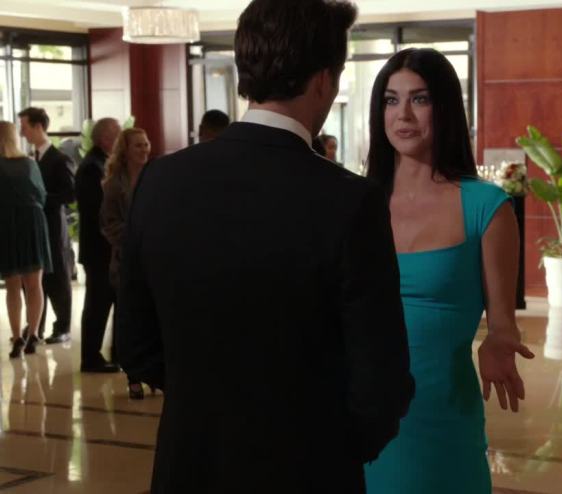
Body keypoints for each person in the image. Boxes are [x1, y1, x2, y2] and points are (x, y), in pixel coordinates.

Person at [115, 1, 414, 492]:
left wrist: (210, 405)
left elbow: (135, 344)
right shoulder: (349, 200)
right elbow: (382, 380)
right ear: (325, 80)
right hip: (307, 468)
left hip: (190, 465)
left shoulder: (160, 181)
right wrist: (330, 448)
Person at [363, 48, 535, 494]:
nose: (403, 114)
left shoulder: (486, 207)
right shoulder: (356, 203)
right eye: (391, 100)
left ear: (445, 108)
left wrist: (499, 341)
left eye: (419, 99)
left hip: (442, 414)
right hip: (358, 413)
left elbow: (503, 321)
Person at [18, 107, 75, 344]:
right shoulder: (29, 159)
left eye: (24, 127)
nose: (21, 132)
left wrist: (39, 199)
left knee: (58, 279)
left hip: (52, 228)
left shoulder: (60, 159)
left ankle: (62, 328)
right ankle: (35, 327)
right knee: (35, 280)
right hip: (34, 228)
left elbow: (70, 194)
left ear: (38, 126)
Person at [101, 128, 150, 398]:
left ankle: (154, 371)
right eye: (137, 146)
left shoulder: (155, 177)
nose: (143, 150)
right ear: (126, 150)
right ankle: (133, 376)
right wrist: (135, 239)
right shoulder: (113, 185)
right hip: (126, 262)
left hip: (154, 259)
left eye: (145, 144)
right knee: (129, 318)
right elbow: (109, 224)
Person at [0, 120, 51, 358]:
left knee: (12, 286)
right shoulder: (30, 164)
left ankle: (16, 337)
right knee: (34, 284)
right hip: (32, 221)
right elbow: (41, 194)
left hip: (6, 223)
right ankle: (33, 334)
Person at [76, 117, 122, 373]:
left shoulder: (99, 163)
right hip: (98, 250)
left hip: (103, 249)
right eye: (118, 134)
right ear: (106, 138)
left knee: (108, 301)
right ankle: (91, 358)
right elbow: (98, 211)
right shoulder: (92, 168)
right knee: (97, 305)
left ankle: (116, 353)